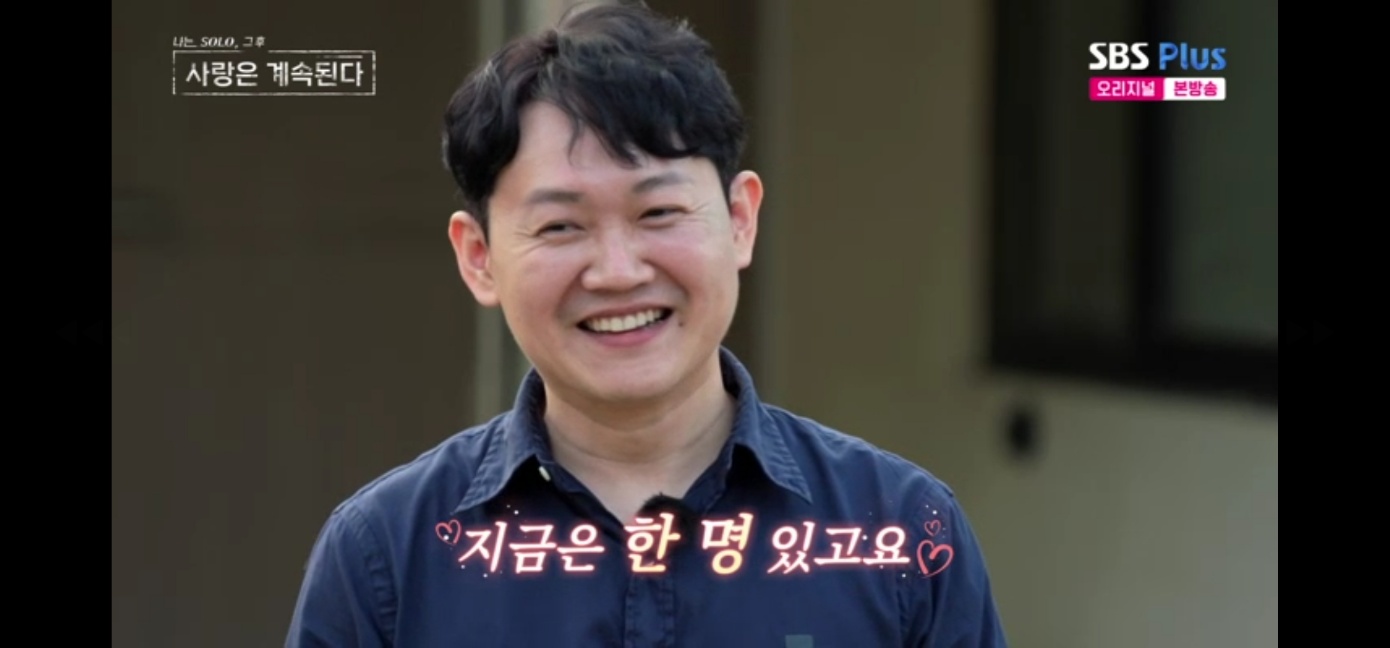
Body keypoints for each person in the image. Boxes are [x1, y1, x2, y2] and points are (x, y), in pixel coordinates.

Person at [285, 2, 1007, 646]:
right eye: (560, 226)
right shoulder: (387, 559)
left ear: (740, 220)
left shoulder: (902, 534)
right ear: (479, 258)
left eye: (658, 212)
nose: (618, 271)